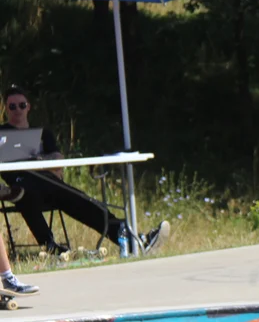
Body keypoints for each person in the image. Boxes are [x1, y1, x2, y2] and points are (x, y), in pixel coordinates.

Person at [0, 86, 169, 256]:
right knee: (30, 190)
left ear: (28, 107)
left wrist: (37, 162)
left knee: (79, 199)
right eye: (12, 106)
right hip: (23, 182)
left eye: (21, 105)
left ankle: (127, 236)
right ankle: (126, 236)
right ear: (6, 109)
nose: (17, 110)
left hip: (48, 184)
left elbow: (57, 163)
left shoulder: (43, 133)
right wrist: (40, 162)